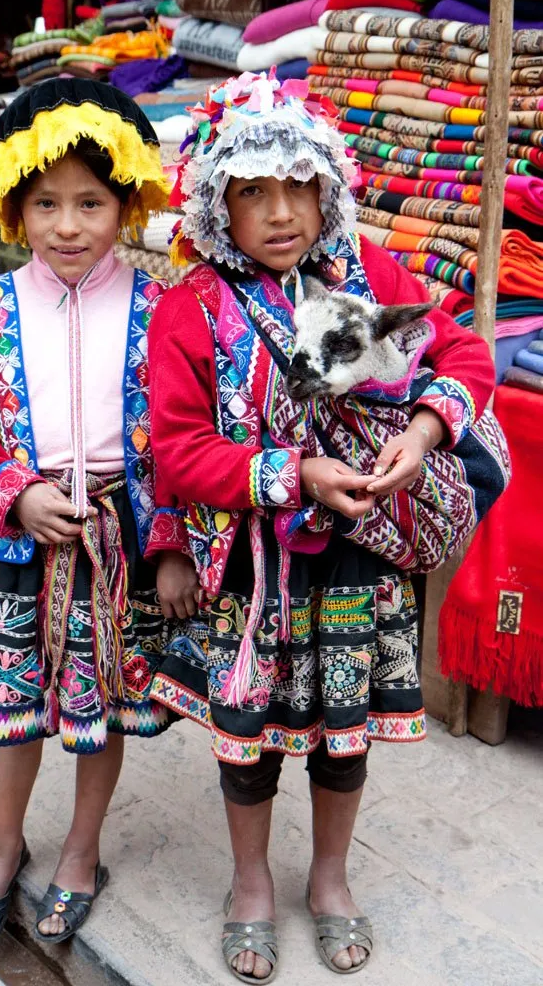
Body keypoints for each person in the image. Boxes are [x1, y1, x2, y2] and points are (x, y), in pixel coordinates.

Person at [146, 71, 497, 982]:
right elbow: (177, 452)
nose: (278, 211)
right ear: (218, 202)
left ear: (324, 186)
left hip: (353, 559)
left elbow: (459, 349)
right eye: (251, 191)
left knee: (345, 733)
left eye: (295, 185)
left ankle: (331, 880)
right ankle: (252, 883)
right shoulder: (193, 305)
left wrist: (422, 432)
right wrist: (288, 471)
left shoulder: (367, 271)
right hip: (254, 566)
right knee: (250, 738)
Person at [0, 79, 198, 951]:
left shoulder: (164, 312)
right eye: (45, 204)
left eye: (90, 203)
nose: (68, 226)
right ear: (12, 206)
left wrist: (171, 547)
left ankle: (81, 852)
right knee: (18, 703)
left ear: (129, 205)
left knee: (98, 704)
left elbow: (186, 437)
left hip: (117, 546)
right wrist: (14, 489)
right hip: (15, 541)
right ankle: (5, 847)